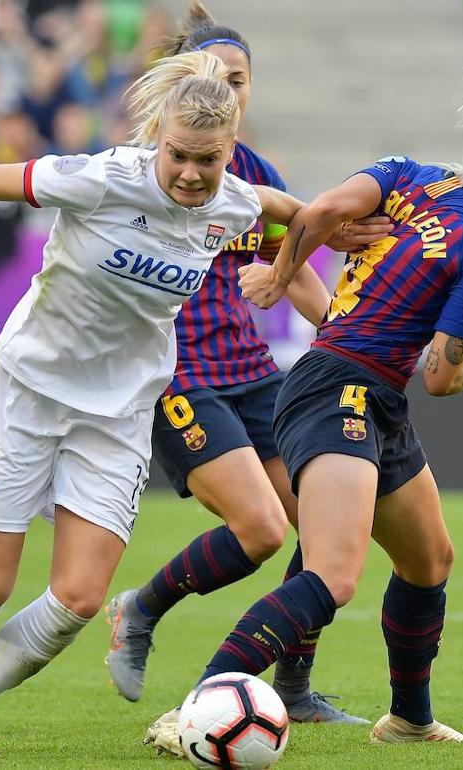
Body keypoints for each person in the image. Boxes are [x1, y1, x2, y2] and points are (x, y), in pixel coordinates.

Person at [0, 50, 344, 758]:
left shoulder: (236, 203)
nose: (191, 174)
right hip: (30, 392)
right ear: (157, 140)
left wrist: (308, 256)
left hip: (117, 415)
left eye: (208, 159)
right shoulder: (101, 178)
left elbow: (303, 217)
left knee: (79, 599)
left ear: (231, 150)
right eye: (178, 156)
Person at [144, 55, 463, 754]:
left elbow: (317, 212)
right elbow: (440, 378)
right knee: (334, 574)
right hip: (339, 388)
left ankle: (408, 719)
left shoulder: (410, 172)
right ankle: (196, 705)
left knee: (429, 558)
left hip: (362, 392)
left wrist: (284, 273)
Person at [104, 1, 387, 725]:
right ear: (183, 85)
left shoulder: (253, 171)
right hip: (182, 375)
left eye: (241, 79)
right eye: (217, 76)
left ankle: (293, 686)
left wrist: (341, 332)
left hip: (254, 369)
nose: (230, 89)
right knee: (262, 531)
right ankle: (140, 609)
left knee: (319, 535)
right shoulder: (148, 172)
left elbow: (287, 264)